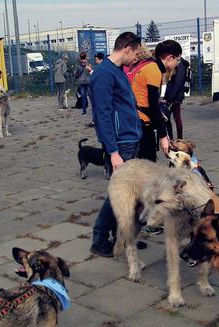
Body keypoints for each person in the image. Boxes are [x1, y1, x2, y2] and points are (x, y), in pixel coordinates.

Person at [90, 32, 143, 257]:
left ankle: (122, 238)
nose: (138, 58)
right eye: (137, 53)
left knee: (127, 195)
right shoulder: (104, 74)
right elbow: (102, 115)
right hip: (120, 143)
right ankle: (100, 238)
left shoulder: (118, 71)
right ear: (128, 48)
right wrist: (112, 151)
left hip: (130, 138)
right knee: (119, 194)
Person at [131, 40, 178, 162]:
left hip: (139, 119)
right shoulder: (154, 70)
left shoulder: (151, 67)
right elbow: (153, 106)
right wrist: (163, 135)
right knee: (148, 164)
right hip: (142, 122)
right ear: (170, 58)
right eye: (177, 60)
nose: (177, 64)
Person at [163, 56, 188, 139]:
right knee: (169, 118)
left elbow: (178, 83)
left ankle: (179, 139)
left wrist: (170, 98)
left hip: (175, 96)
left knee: (176, 117)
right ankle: (171, 138)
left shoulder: (181, 65)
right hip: (173, 95)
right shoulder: (179, 64)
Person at [76, 52, 93, 117]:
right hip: (88, 81)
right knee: (91, 97)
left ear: (80, 57)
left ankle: (84, 111)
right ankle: (93, 110)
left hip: (81, 82)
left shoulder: (78, 65)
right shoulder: (88, 64)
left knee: (83, 97)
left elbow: (76, 75)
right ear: (85, 56)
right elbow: (91, 71)